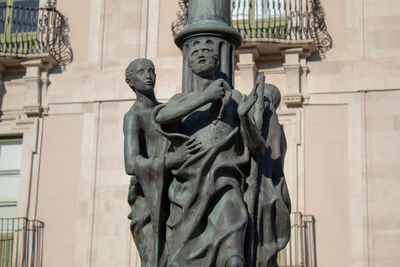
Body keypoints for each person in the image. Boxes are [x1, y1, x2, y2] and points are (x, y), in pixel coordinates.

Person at [152, 39, 267, 267]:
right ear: (190, 65)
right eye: (195, 53)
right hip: (188, 192)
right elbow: (160, 118)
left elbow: (258, 148)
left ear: (217, 61)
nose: (201, 55)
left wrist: (244, 117)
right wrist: (205, 97)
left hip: (225, 186)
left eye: (207, 51)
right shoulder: (179, 101)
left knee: (235, 259)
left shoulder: (236, 100)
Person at [123, 58, 201, 266]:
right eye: (141, 72)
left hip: (174, 195)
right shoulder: (133, 116)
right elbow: (131, 163)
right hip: (148, 201)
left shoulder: (167, 111)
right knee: (154, 260)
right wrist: (171, 159)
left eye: (151, 71)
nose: (148, 76)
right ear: (130, 81)